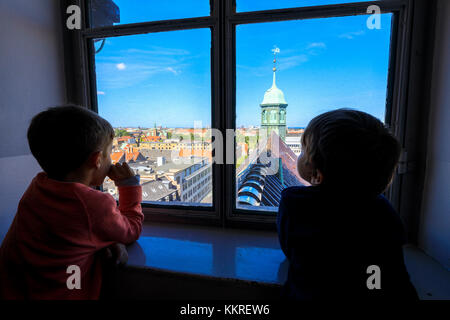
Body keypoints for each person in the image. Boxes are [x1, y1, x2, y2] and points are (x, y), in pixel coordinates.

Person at [0, 105, 144, 299]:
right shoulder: (94, 205)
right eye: (109, 153)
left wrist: (103, 241)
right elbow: (132, 229)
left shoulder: (38, 187)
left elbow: (66, 236)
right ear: (97, 160)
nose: (111, 160)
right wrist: (128, 185)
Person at [277, 109, 418, 300]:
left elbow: (290, 249)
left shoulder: (296, 203)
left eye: (303, 150)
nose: (299, 155)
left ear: (317, 175)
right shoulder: (383, 211)